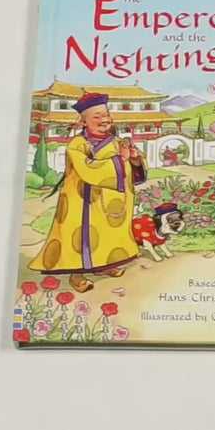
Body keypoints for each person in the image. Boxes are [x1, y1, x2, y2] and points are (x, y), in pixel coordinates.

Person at [28, 92, 148, 292]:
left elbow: (133, 167)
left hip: (110, 201)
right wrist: (120, 160)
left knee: (108, 234)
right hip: (82, 200)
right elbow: (87, 169)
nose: (105, 120)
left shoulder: (116, 141)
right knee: (81, 238)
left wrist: (135, 158)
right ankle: (77, 275)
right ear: (84, 121)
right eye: (97, 116)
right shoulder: (77, 144)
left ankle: (105, 266)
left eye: (106, 115)